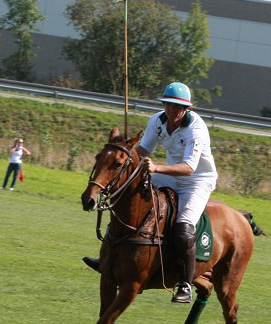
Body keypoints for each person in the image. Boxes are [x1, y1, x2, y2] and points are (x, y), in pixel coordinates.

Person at [83, 82, 218, 303]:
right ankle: (107, 257)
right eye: (169, 105)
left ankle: (185, 283)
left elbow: (189, 168)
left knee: (184, 228)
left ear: (187, 109)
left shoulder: (196, 129)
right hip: (169, 173)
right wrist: (124, 155)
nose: (172, 111)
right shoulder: (157, 120)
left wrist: (155, 168)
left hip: (196, 180)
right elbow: (144, 149)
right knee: (129, 194)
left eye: (178, 107)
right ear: (164, 104)